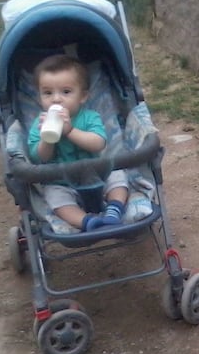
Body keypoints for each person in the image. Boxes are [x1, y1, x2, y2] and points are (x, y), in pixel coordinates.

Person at [28, 54, 128, 231]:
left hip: (97, 174)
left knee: (118, 176)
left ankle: (114, 209)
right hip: (61, 181)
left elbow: (98, 143)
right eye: (48, 93)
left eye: (66, 92)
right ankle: (87, 221)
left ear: (82, 96)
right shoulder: (40, 123)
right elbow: (39, 157)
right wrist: (47, 139)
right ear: (39, 97)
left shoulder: (90, 117)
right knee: (55, 198)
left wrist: (70, 131)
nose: (56, 99)